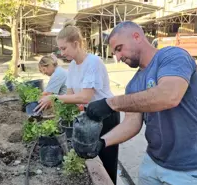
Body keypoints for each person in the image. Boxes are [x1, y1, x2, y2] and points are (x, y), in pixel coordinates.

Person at [85, 21, 197, 185]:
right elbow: (132, 123)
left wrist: (110, 103)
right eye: (115, 53)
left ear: (136, 36)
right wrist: (102, 142)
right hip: (153, 163)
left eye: (119, 49)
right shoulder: (133, 85)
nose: (118, 57)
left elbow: (169, 96)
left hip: (191, 168)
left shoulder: (173, 56)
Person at [34, 20, 120, 184]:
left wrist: (54, 98)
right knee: (91, 155)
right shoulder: (73, 66)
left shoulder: (93, 62)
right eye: (60, 49)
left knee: (107, 161)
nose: (61, 53)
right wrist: (57, 113)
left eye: (64, 48)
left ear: (76, 44)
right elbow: (70, 95)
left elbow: (85, 97)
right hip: (91, 116)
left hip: (107, 116)